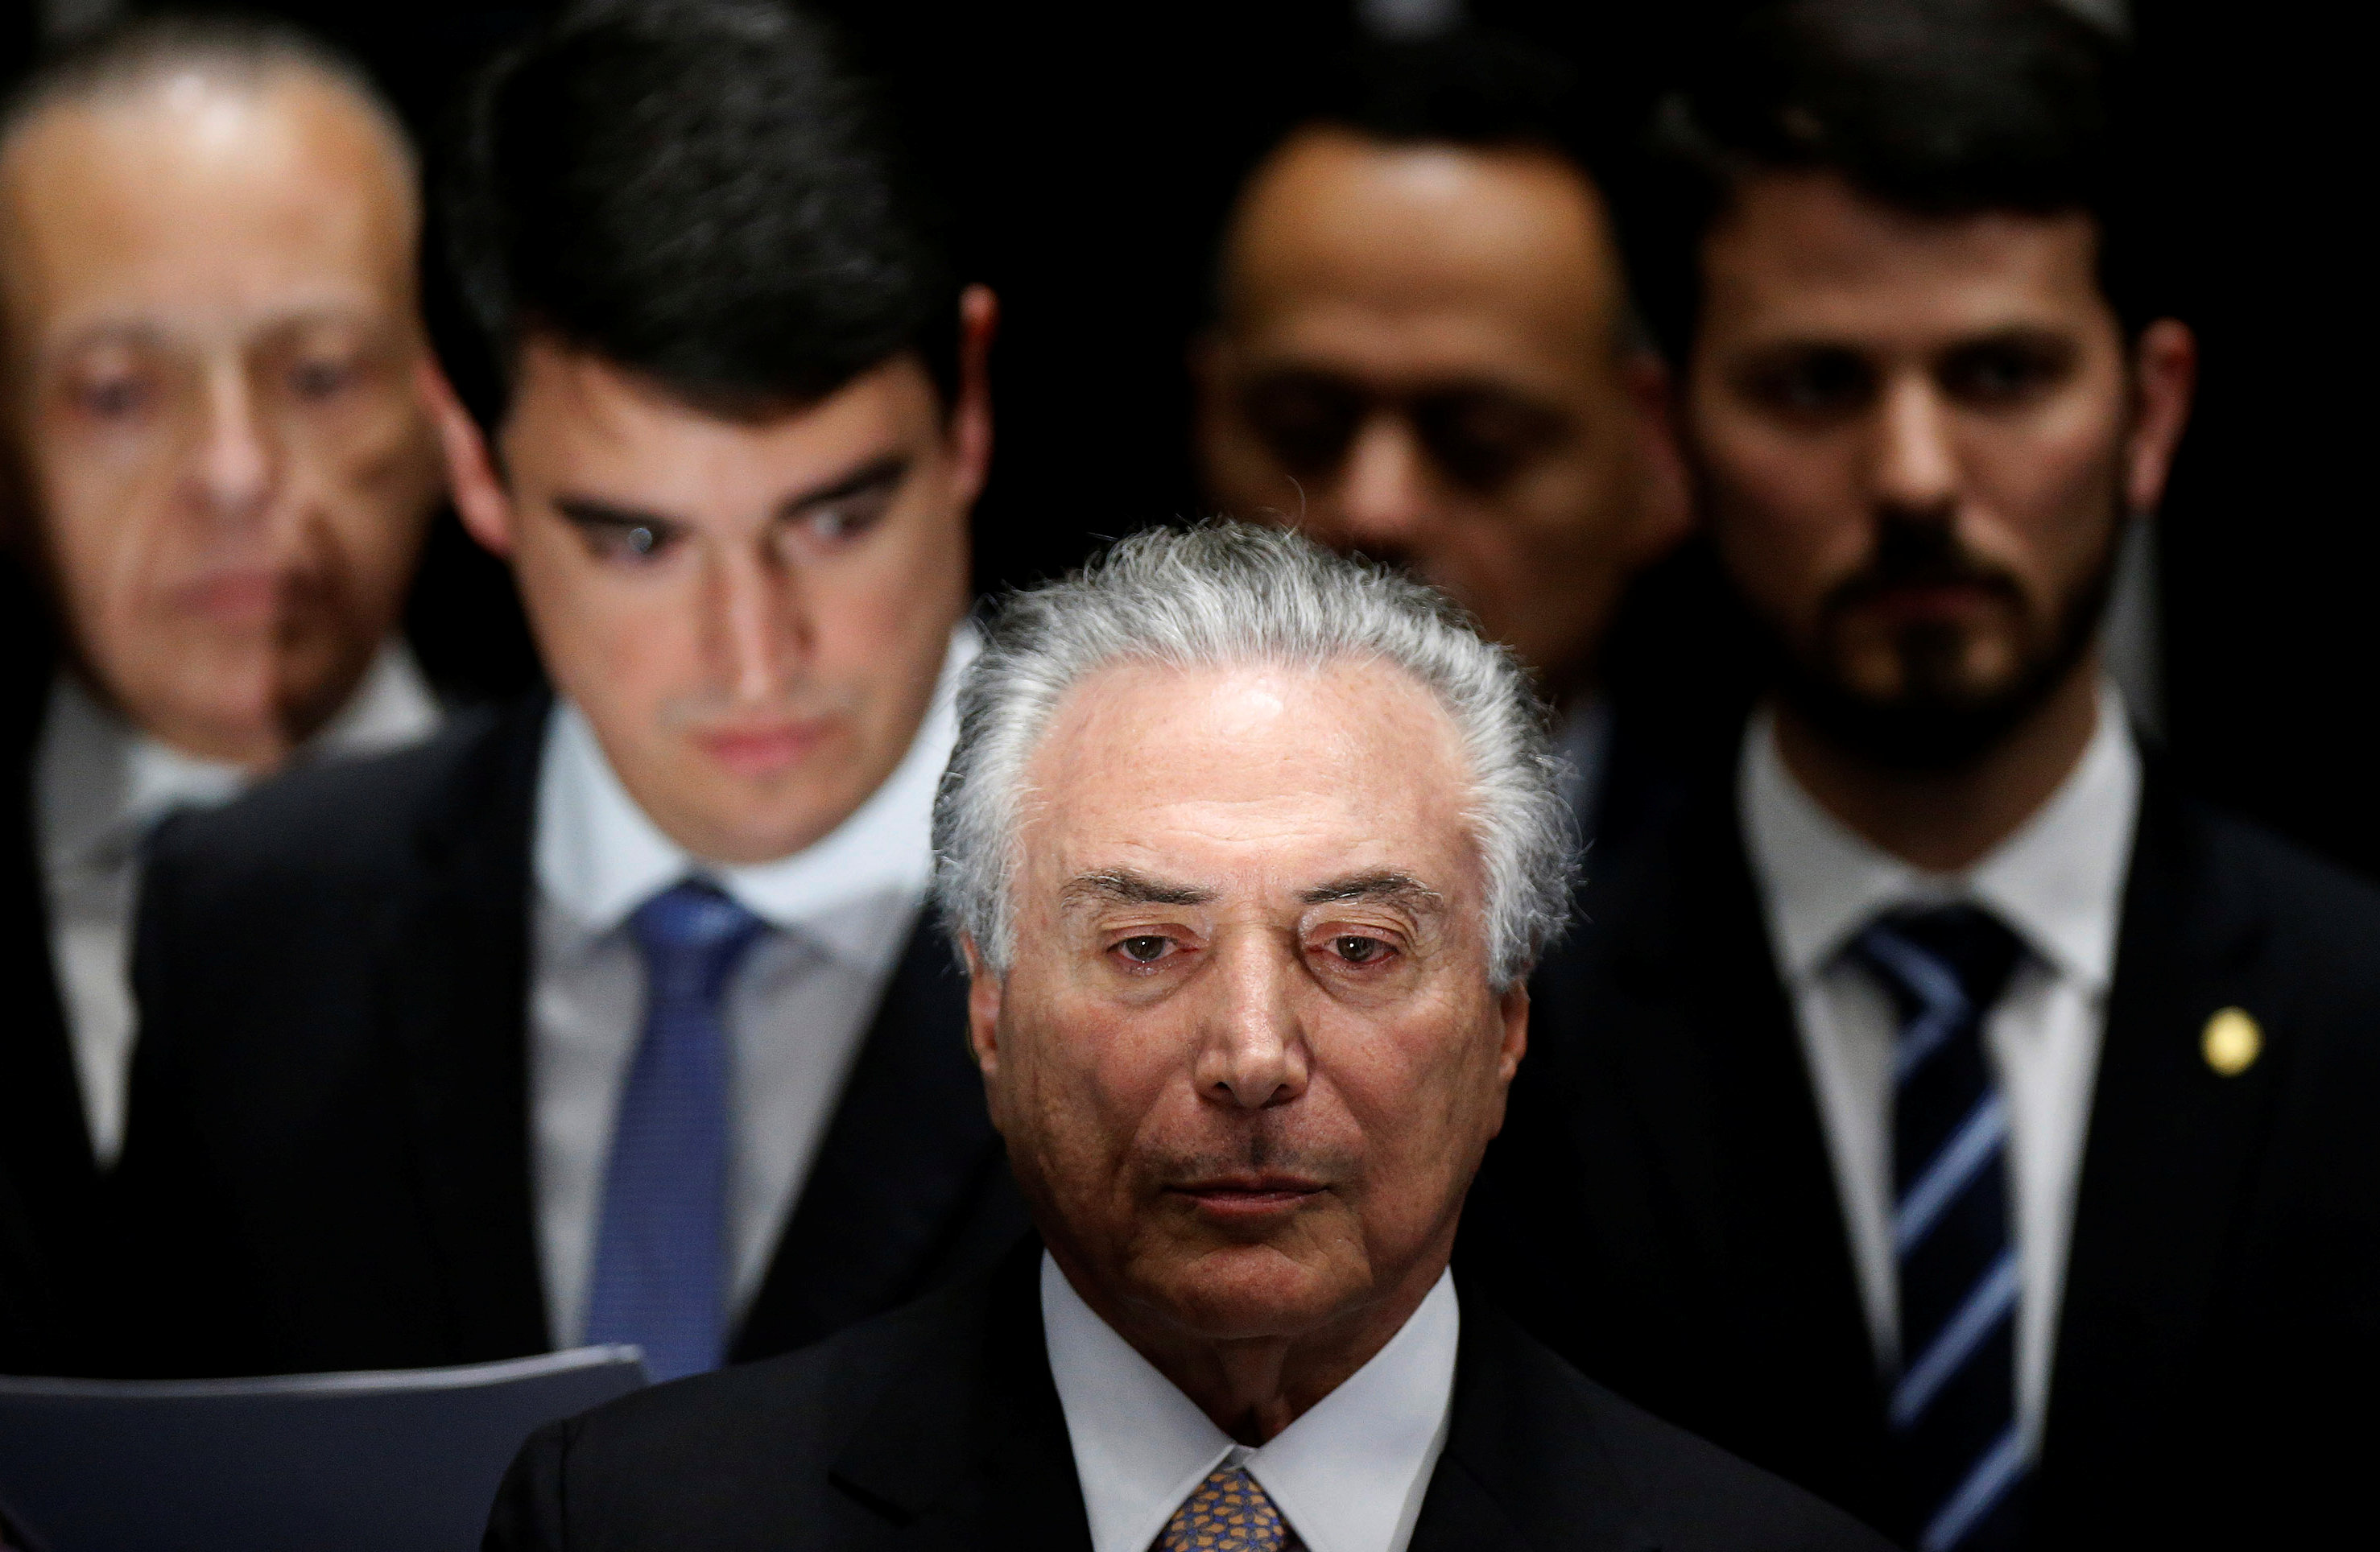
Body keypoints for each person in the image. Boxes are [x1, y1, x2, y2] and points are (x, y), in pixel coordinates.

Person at [481, 522, 1891, 1551]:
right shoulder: (637, 1520)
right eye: (1147, 946)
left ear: (1507, 1022)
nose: (1254, 1053)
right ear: (987, 1002)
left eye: (1356, 948)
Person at [1459, 2, 2379, 1548]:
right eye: (1815, 385)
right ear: (1665, 433)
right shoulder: (1497, 1053)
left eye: (2002, 374)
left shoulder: (2359, 1020)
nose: (1914, 477)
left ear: (2149, 412)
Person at [109, 0, 1022, 1381]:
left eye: (836, 517)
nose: (756, 653)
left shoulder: (1235, 944)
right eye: (639, 540)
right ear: (470, 463)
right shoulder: (249, 935)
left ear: (964, 404)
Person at [0, 14, 446, 1358]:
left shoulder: (660, 796)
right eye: (119, 392)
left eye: (319, 373)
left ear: (446, 411)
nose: (239, 471)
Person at [1194, 32, 1690, 845]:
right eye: (1303, 430)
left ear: (1655, 457)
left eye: (1480, 444)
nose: (1376, 508)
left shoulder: (1767, 909)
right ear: (1209, 415)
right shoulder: (1023, 884)